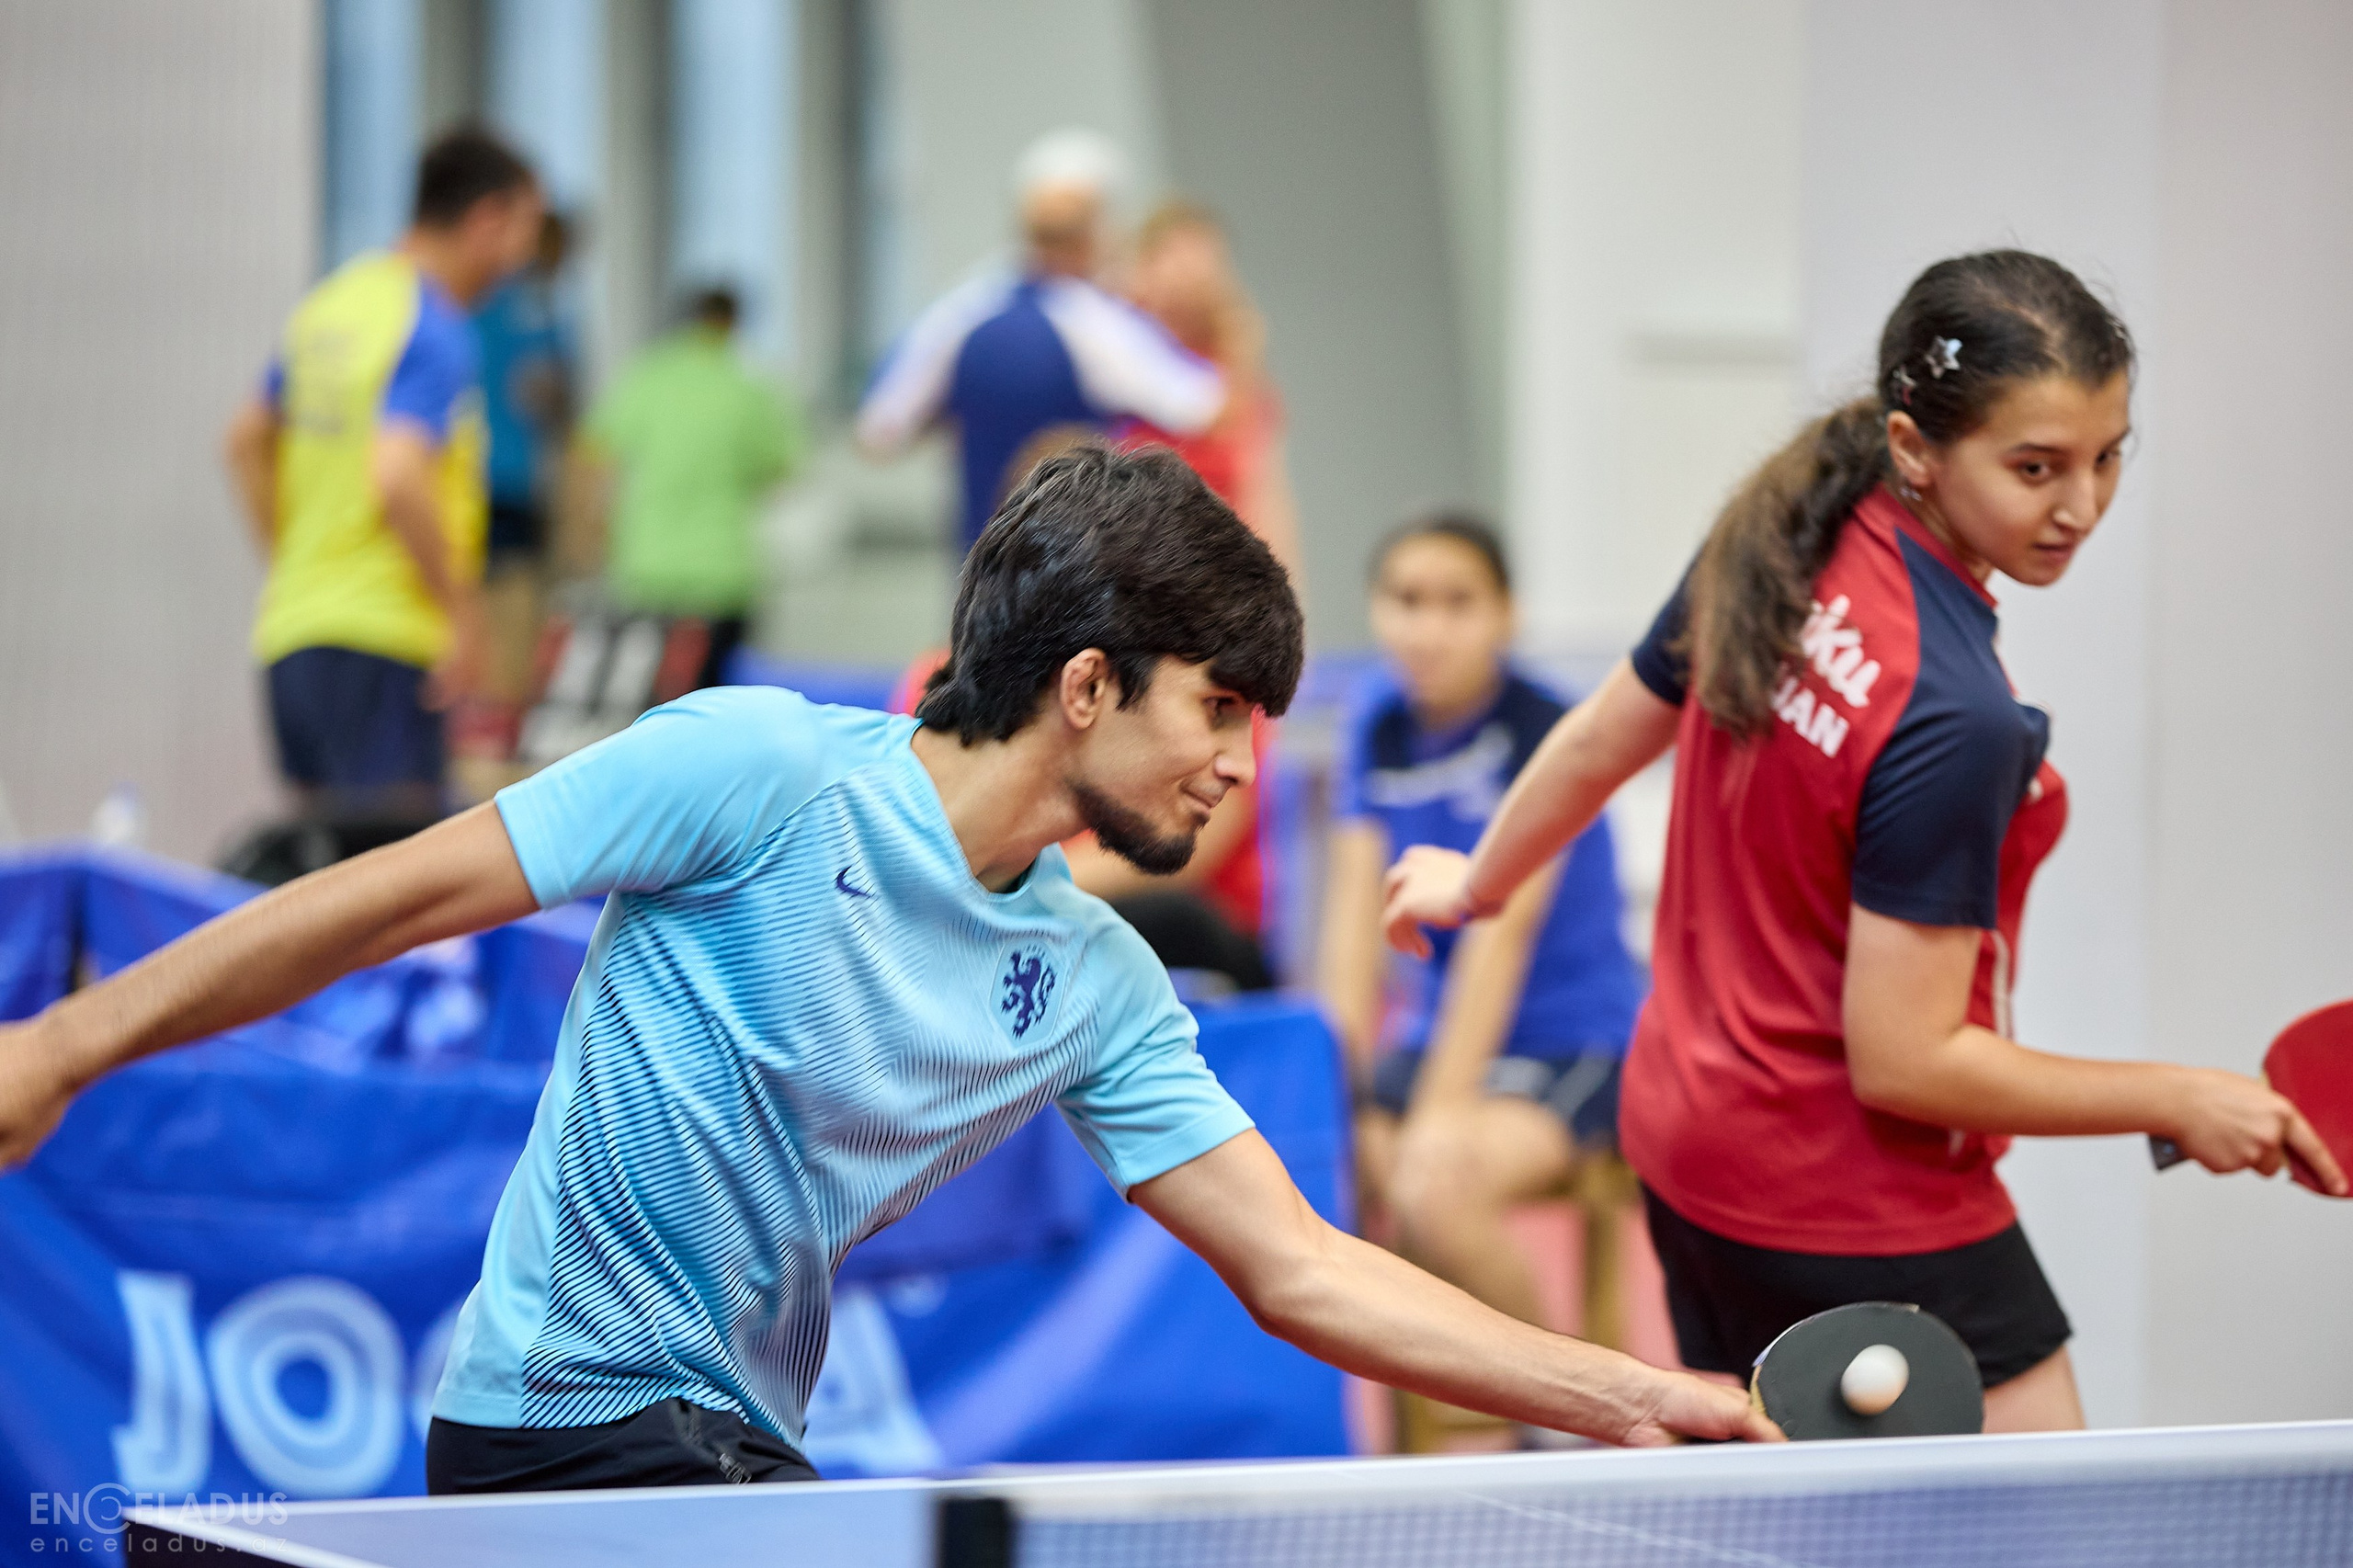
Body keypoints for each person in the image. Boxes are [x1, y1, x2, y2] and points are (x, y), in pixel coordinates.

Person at [0, 447, 1775, 1493]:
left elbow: (1303, 1265)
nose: (1243, 765)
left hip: (738, 1457)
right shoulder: (758, 771)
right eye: (1220, 708)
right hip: (559, 1434)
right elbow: (384, 903)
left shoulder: (1091, 979)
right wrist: (66, 1043)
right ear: (1088, 685)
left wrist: (1635, 1395)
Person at [1381, 251, 2349, 1433]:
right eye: (2035, 466)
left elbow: (1598, 736)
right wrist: (2179, 1094)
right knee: (2055, 1511)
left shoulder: (1782, 530)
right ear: (1913, 445)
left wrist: (1475, 880)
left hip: (1687, 1146)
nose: (2081, 505)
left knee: (1791, 1501)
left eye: (2107, 456)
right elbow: (1906, 1059)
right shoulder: (1954, 714)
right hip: (1849, 1192)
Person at [1322, 515, 1644, 1330]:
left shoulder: (1545, 729)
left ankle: (1562, 1398)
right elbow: (1350, 928)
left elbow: (1503, 939)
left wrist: (1440, 1110)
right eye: (1407, 601)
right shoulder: (1376, 724)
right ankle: (1426, 1404)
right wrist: (1338, 1088)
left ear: (1507, 615)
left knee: (1433, 1186)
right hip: (1436, 1034)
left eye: (1458, 603)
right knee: (1317, 1163)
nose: (1428, 629)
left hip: (1571, 1041)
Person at [222, 128, 542, 821]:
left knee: (324, 873)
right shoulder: (434, 326)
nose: (525, 258)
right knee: (396, 878)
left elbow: (245, 440)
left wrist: (296, 564)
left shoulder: (331, 305)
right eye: (527, 231)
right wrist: (464, 615)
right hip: (383, 644)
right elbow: (396, 473)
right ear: (488, 220)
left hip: (293, 638)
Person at [854, 129, 1225, 555]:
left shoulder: (965, 308)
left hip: (981, 561)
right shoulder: (1096, 322)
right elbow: (1206, 407)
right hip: (1086, 561)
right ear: (1095, 230)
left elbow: (878, 431)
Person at [569, 286, 804, 690]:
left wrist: (591, 531)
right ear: (734, 326)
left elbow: (594, 451)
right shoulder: (749, 388)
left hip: (647, 566)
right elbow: (781, 470)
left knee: (650, 695)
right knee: (716, 698)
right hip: (722, 571)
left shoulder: (647, 376)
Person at [1118, 199, 1302, 579]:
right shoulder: (1112, 356)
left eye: (1205, 263)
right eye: (1176, 259)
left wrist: (1285, 585)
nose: (1191, 277)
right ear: (1142, 266)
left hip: (1218, 572)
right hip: (1130, 565)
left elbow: (1265, 491)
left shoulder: (1236, 368)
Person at [471, 210, 576, 712]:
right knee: (514, 614)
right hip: (510, 481)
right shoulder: (534, 305)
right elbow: (547, 390)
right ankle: (498, 719)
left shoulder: (470, 300)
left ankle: (474, 717)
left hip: (463, 479)